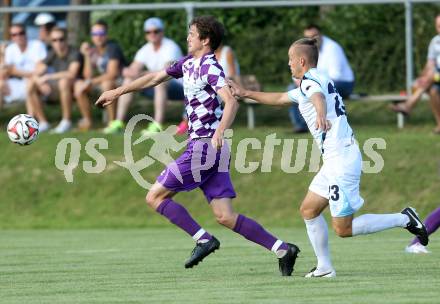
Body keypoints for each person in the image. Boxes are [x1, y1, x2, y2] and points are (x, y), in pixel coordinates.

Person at [96, 15, 300, 275]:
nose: (188, 37)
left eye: (192, 34)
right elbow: (153, 78)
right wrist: (117, 91)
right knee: (225, 216)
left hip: (205, 148)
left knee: (154, 196)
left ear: (205, 40)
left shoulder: (210, 67)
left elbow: (231, 101)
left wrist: (219, 132)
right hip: (211, 149)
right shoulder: (188, 63)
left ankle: (203, 239)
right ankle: (282, 248)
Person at [229, 37, 428, 278]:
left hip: (341, 160)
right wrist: (245, 92)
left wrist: (321, 115)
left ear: (301, 61)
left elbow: (318, 99)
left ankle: (402, 218)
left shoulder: (311, 82)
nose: (289, 63)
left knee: (343, 229)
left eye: (291, 59)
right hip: (335, 159)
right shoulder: (316, 79)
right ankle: (324, 267)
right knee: (309, 210)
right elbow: (281, 99)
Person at [106, 17, 184, 134]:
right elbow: (133, 69)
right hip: (157, 85)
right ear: (145, 34)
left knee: (160, 82)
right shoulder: (145, 49)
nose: (152, 34)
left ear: (162, 32)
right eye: (148, 32)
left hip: (180, 87)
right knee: (128, 80)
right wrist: (129, 72)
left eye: (156, 31)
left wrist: (138, 73)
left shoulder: (170, 47)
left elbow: (166, 72)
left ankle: (157, 125)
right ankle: (118, 122)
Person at [289, 24, 354, 133]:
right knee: (293, 87)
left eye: (315, 35)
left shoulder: (332, 48)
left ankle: (321, 121)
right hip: (320, 82)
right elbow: (298, 70)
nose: (312, 39)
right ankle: (301, 126)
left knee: (314, 90)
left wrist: (310, 83)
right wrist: (299, 81)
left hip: (343, 83)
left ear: (321, 35)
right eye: (308, 37)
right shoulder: (307, 49)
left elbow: (335, 76)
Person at [26, 27, 84, 133]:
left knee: (63, 82)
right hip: (58, 88)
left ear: (66, 40)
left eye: (61, 39)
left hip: (76, 87)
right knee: (31, 83)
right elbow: (39, 69)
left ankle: (66, 121)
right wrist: (38, 80)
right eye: (54, 40)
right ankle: (43, 123)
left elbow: (72, 73)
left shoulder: (74, 52)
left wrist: (48, 77)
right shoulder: (52, 53)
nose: (58, 43)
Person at [390, 14, 440, 134]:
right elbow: (430, 63)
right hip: (435, 77)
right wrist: (423, 77)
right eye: (438, 26)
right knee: (432, 90)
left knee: (430, 79)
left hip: (436, 76)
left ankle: (408, 104)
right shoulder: (435, 41)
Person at [177, 42, 241, 135]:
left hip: (225, 85)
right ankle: (188, 122)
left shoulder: (227, 52)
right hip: (211, 87)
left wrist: (220, 82)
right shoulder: (205, 56)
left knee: (204, 93)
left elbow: (232, 74)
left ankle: (189, 122)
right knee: (195, 90)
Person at [74, 20, 126, 131]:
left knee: (106, 84)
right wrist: (86, 56)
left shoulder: (112, 47)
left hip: (120, 82)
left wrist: (89, 82)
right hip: (101, 83)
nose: (98, 37)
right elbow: (87, 75)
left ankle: (113, 124)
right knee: (78, 86)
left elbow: (112, 74)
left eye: (101, 33)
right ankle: (87, 121)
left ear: (106, 35)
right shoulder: (92, 50)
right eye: (95, 34)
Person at [0, 24, 47, 126]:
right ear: (11, 37)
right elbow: (5, 71)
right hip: (23, 81)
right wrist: (3, 55)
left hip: (38, 81)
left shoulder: (37, 45)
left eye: (21, 33)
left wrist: (14, 70)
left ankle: (32, 122)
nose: (18, 36)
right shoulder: (10, 49)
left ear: (26, 33)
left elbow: (41, 68)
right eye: (14, 34)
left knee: (29, 84)